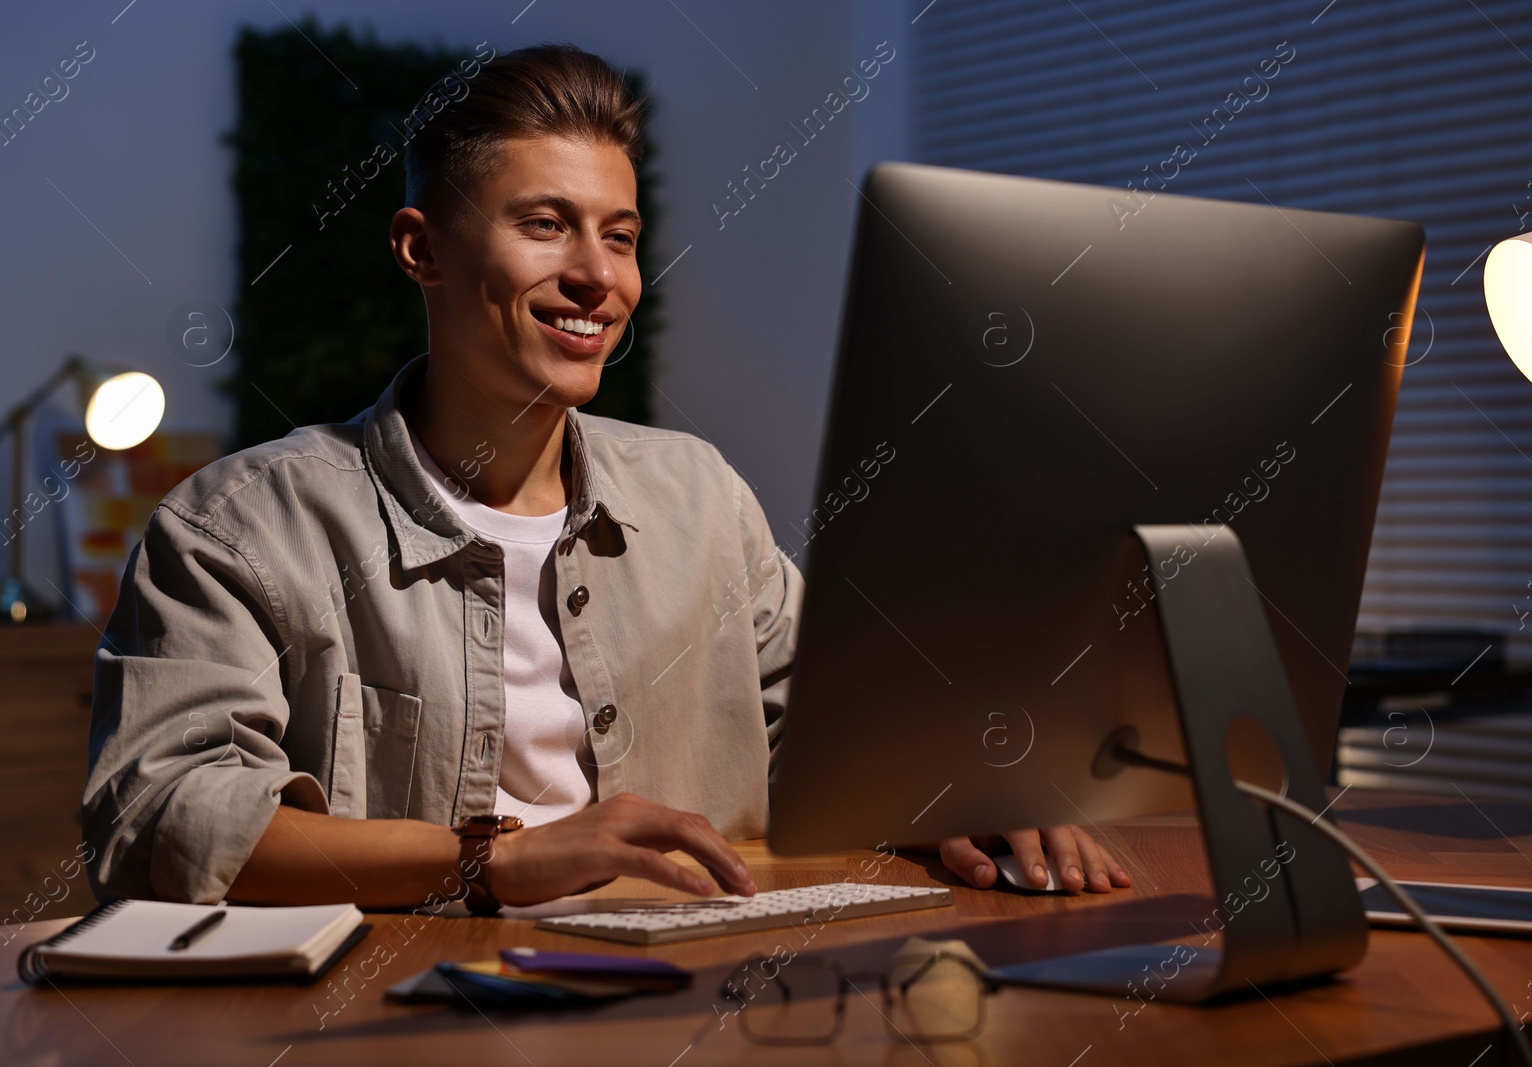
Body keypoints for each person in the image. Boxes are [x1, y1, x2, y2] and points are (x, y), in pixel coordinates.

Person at [82, 43, 1130, 912]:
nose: (596, 274)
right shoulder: (238, 528)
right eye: (545, 225)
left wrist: (954, 787)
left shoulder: (701, 496)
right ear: (422, 249)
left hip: (698, 993)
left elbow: (828, 739)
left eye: (619, 236)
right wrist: (490, 858)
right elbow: (160, 820)